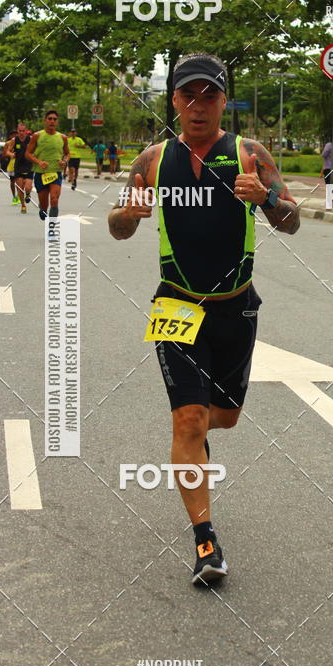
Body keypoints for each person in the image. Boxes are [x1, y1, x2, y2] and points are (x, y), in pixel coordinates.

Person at [108, 52, 300, 587]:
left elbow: (293, 221)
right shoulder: (151, 160)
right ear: (173, 100)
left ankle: (192, 440)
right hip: (175, 303)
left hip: (236, 306)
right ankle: (205, 542)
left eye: (209, 96)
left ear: (222, 101)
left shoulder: (250, 154)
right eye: (187, 95)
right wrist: (128, 213)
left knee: (225, 417)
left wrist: (266, 200)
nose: (198, 106)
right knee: (187, 420)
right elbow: (117, 226)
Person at [26, 110, 69, 220]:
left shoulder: (63, 137)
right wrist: (39, 162)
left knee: (54, 199)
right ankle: (43, 210)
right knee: (44, 207)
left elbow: (67, 153)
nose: (52, 121)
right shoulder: (37, 136)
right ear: (45, 120)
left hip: (55, 173)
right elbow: (28, 154)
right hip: (41, 174)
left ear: (57, 122)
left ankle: (51, 227)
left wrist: (64, 161)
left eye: (54, 119)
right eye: (49, 118)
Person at [5, 122, 33, 213]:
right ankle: (23, 206)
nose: (21, 132)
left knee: (28, 187)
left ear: (26, 131)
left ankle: (28, 194)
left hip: (29, 166)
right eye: (20, 131)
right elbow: (7, 151)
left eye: (23, 131)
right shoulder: (14, 140)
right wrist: (11, 154)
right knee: (20, 187)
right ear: (17, 131)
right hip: (18, 166)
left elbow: (36, 150)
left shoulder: (31, 139)